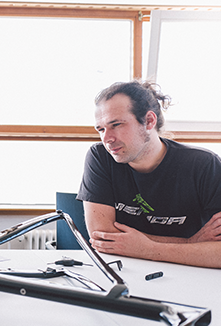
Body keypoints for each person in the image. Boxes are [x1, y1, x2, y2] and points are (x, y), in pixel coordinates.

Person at [77, 79, 221, 268]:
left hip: (187, 273)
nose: (107, 138)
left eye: (117, 125)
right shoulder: (101, 157)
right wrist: (190, 243)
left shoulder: (203, 164)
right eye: (101, 129)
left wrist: (148, 249)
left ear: (149, 121)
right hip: (124, 271)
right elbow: (104, 240)